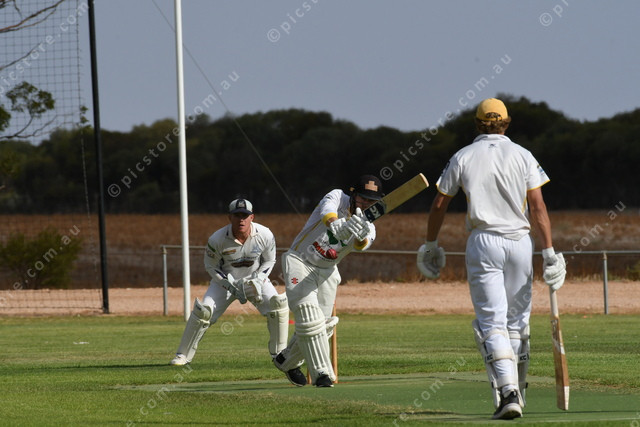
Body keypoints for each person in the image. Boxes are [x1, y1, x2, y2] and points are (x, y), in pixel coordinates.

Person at [416, 98, 566, 420]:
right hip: (520, 243)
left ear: (477, 123)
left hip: (484, 242)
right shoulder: (523, 155)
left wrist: (430, 244)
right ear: (506, 123)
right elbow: (538, 207)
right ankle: (517, 393)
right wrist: (549, 252)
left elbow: (440, 204)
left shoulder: (463, 156)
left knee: (492, 322)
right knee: (516, 323)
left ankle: (508, 393)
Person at [273, 175, 383, 387]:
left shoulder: (369, 226)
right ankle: (322, 375)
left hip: (327, 271)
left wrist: (360, 234)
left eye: (372, 201)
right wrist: (336, 224)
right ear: (353, 194)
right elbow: (327, 212)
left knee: (324, 326)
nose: (366, 204)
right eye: (363, 198)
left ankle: (285, 361)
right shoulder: (337, 196)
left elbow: (362, 244)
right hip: (299, 260)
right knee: (308, 315)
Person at [170, 198, 291, 370]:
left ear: (252, 217)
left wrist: (258, 279)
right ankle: (182, 355)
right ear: (230, 217)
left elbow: (269, 261)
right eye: (237, 215)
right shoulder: (216, 239)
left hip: (255, 281)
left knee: (277, 306)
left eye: (245, 216)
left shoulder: (265, 234)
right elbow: (211, 266)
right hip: (224, 284)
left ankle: (280, 354)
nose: (241, 220)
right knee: (203, 312)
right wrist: (228, 285)